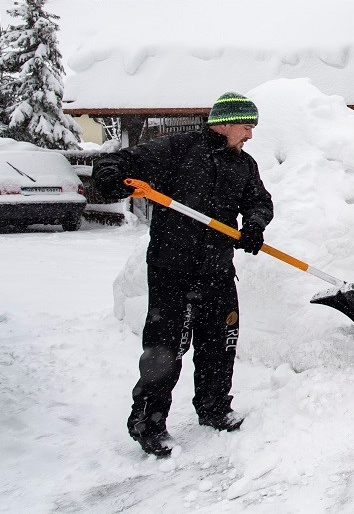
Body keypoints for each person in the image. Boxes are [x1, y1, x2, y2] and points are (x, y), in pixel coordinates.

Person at [93, 92, 273, 458]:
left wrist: (254, 224)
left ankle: (213, 407)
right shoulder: (178, 149)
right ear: (223, 123)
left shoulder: (244, 164)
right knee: (166, 350)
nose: (250, 135)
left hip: (217, 268)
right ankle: (148, 422)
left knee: (220, 343)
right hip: (172, 268)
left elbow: (258, 201)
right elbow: (119, 160)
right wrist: (110, 173)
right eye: (246, 127)